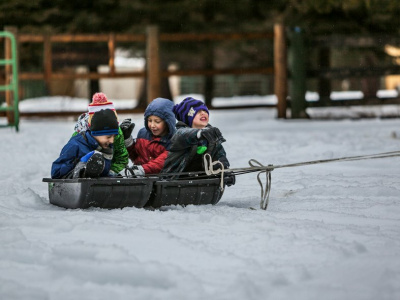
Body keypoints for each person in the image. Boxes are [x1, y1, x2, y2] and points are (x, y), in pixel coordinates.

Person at [162, 97, 235, 185]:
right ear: (187, 118)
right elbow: (186, 134)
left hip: (201, 180)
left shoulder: (210, 135)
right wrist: (200, 134)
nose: (203, 113)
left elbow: (219, 155)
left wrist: (224, 171)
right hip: (173, 181)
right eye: (198, 112)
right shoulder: (180, 134)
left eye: (204, 111)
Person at [51, 108, 119, 179]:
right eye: (108, 137)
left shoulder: (107, 147)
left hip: (95, 187)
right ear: (96, 133)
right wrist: (80, 165)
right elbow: (56, 173)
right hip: (74, 185)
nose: (112, 141)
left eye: (114, 136)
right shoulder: (76, 145)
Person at [73, 92, 129, 176]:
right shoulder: (79, 135)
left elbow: (121, 157)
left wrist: (112, 172)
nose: (111, 139)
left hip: (110, 170)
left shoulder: (117, 133)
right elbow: (69, 159)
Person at [121, 97, 176, 176]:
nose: (152, 125)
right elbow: (136, 156)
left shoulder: (173, 140)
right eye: (149, 120)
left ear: (168, 122)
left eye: (157, 121)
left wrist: (139, 171)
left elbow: (160, 164)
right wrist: (127, 140)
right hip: (140, 180)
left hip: (161, 181)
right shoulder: (143, 134)